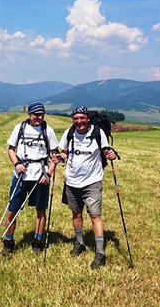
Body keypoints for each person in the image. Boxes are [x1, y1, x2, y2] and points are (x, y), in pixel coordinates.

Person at [54, 106, 117, 269]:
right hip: (72, 181)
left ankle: (100, 253)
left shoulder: (97, 133)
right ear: (72, 119)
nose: (79, 121)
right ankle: (80, 243)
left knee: (95, 215)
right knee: (76, 212)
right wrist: (59, 158)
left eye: (82, 118)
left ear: (87, 118)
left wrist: (111, 154)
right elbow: (65, 152)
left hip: (92, 182)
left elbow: (105, 151)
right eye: (76, 118)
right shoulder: (69, 133)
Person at [2, 102, 58, 255]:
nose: (39, 117)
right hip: (21, 175)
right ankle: (8, 243)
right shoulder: (19, 128)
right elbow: (11, 150)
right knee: (12, 211)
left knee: (40, 210)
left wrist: (49, 173)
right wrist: (16, 163)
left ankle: (38, 241)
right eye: (36, 115)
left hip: (41, 176)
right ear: (29, 115)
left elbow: (55, 155)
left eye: (42, 114)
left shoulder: (48, 130)